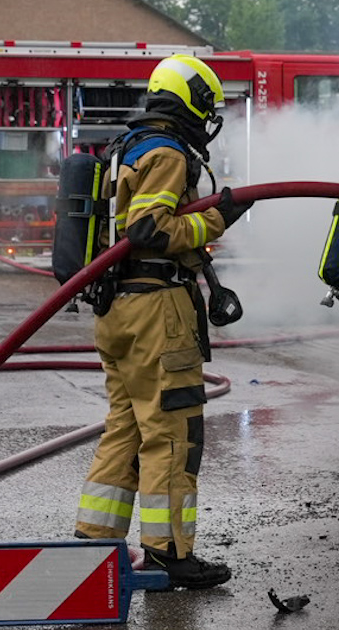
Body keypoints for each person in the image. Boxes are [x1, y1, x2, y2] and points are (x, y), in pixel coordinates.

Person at [72, 55, 247, 589]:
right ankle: (170, 551)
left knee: (126, 428)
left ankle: (94, 544)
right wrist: (219, 216)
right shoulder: (169, 152)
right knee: (173, 430)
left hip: (118, 307)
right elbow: (150, 228)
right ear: (190, 101)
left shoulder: (127, 147)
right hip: (156, 309)